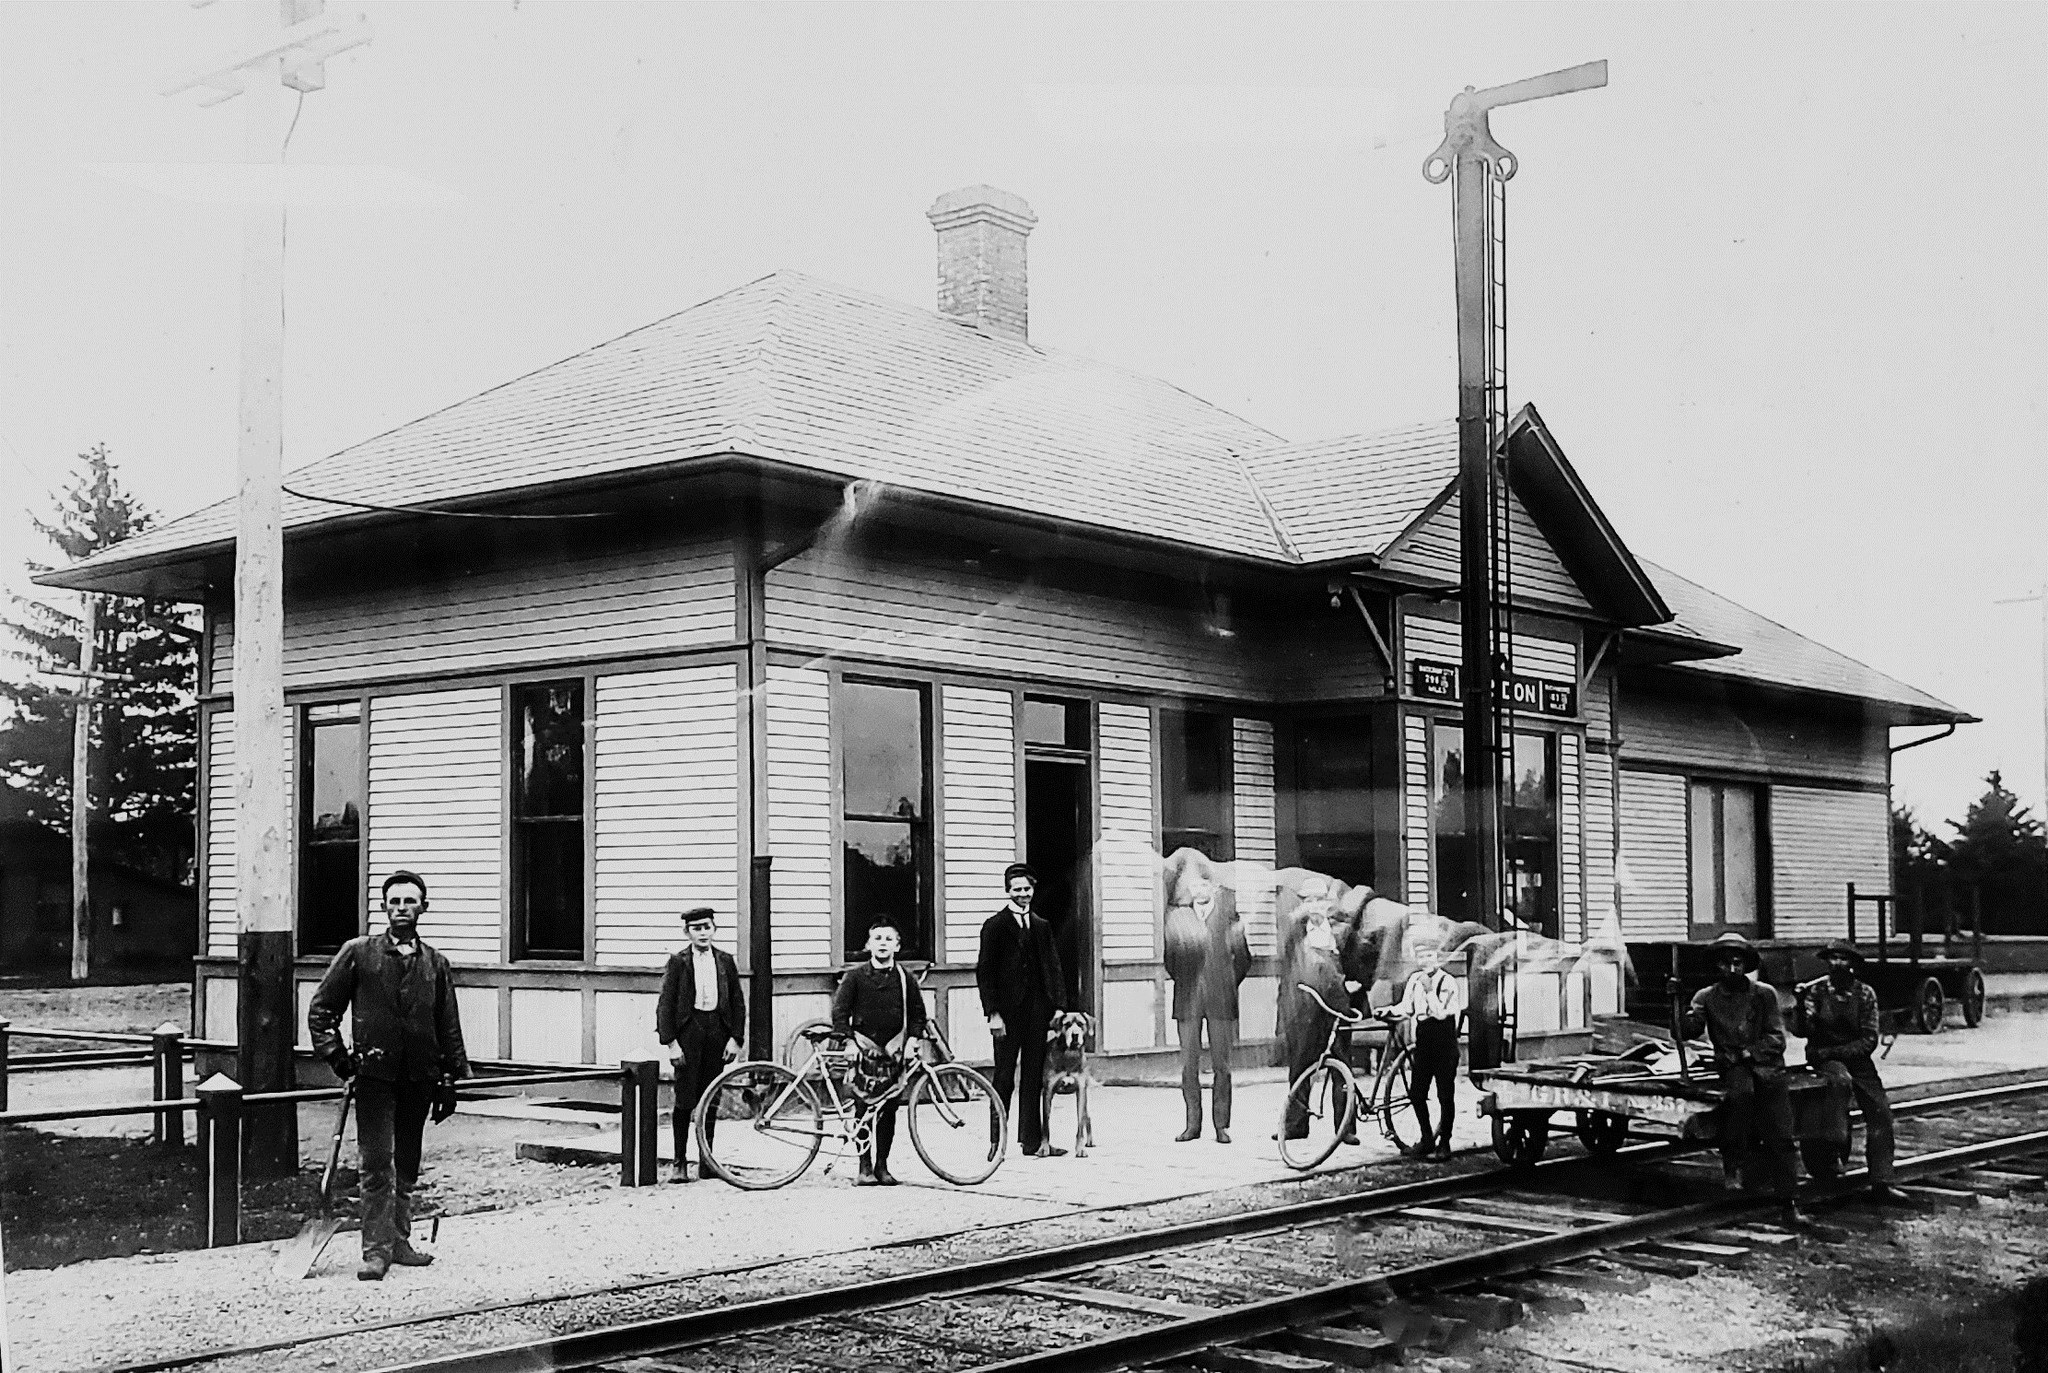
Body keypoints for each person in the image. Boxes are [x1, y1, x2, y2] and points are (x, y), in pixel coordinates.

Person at [307, 870, 470, 1281]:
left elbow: (447, 1024)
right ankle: (375, 1251)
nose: (402, 909)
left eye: (410, 902)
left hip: (420, 1076)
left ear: (423, 908)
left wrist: (450, 1078)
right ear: (383, 908)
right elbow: (322, 1011)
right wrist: (341, 1060)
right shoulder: (358, 954)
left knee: (408, 1161)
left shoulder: (436, 963)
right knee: (377, 1162)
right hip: (375, 1076)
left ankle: (399, 1241)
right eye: (394, 902)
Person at [1683, 931, 1803, 1221]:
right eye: (1725, 964)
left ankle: (1789, 1202)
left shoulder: (1764, 994)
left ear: (1745, 965)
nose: (1732, 970)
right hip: (1733, 1070)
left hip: (1768, 1068)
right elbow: (1686, 1033)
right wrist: (1679, 1008)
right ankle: (1733, 1164)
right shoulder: (1707, 997)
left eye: (1737, 963)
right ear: (1717, 967)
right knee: (1740, 1099)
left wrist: (1748, 1053)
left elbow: (1777, 1039)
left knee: (1781, 1132)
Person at [1793, 939, 1907, 1203]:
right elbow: (1802, 1031)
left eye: (1843, 959)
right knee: (1839, 1084)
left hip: (1854, 1058)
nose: (1837, 964)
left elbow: (1869, 1040)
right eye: (1833, 959)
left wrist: (1834, 1052)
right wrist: (1799, 1004)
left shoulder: (1865, 994)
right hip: (1826, 1061)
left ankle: (1882, 1181)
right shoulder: (1816, 992)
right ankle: (1833, 1154)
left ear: (1853, 965)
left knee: (1880, 1113)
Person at [976, 862, 1067, 1158]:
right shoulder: (995, 926)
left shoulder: (1041, 926)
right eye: (1017, 890)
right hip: (1007, 1015)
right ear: (1007, 892)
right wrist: (993, 1014)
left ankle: (1032, 1142)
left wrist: (1057, 1007)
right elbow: (985, 973)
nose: (1023, 895)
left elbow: (1053, 967)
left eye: (1027, 889)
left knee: (1033, 1077)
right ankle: (996, 1143)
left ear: (1033, 889)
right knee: (1003, 1077)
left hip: (1037, 1013)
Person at [831, 918, 928, 1185]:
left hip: (895, 1053)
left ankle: (882, 1166)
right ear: (868, 944)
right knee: (862, 1110)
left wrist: (912, 1041)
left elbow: (919, 1015)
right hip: (865, 1052)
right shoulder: (855, 977)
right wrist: (849, 1042)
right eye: (877, 939)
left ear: (897, 945)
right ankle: (864, 1167)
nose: (882, 944)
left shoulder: (906, 979)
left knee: (889, 1111)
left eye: (888, 939)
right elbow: (840, 1013)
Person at [655, 906, 746, 1183]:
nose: (703, 933)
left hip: (717, 1032)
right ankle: (680, 1162)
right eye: (697, 928)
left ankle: (707, 1161)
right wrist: (671, 1043)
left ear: (714, 929)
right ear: (687, 932)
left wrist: (735, 1038)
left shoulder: (725, 961)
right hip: (689, 1033)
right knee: (685, 1100)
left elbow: (738, 1002)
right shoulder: (678, 962)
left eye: (707, 927)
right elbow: (665, 1005)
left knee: (711, 1098)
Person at [1164, 873, 1253, 1143]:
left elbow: (1243, 959)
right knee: (1188, 1065)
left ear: (1213, 887)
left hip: (1221, 1000)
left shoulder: (1228, 918)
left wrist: (1224, 982)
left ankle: (1221, 1125)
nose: (1197, 890)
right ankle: (1193, 1125)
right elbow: (1171, 959)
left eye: (1203, 884)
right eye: (1193, 885)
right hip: (1188, 1000)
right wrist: (1189, 983)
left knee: (1221, 1066)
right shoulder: (1180, 919)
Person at [1278, 878, 1360, 1144]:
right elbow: (1285, 952)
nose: (1314, 906)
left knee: (1342, 1065)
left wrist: (1354, 983)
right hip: (1304, 1005)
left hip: (1336, 1007)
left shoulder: (1343, 932)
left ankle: (1345, 1127)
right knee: (1301, 1064)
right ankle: (1295, 1125)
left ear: (1328, 903)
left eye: (1318, 900)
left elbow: (1359, 961)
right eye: (1308, 901)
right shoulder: (1295, 933)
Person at [1380, 931, 1464, 1161]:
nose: (1424, 961)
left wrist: (1429, 991)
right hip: (1424, 1041)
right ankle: (1427, 1139)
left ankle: (1444, 1142)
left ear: (1437, 956)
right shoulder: (1415, 979)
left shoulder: (1447, 982)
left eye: (1428, 955)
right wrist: (1388, 1011)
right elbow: (1406, 1008)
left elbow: (1440, 1013)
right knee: (1417, 1093)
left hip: (1444, 1040)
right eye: (1420, 957)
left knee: (1445, 1095)